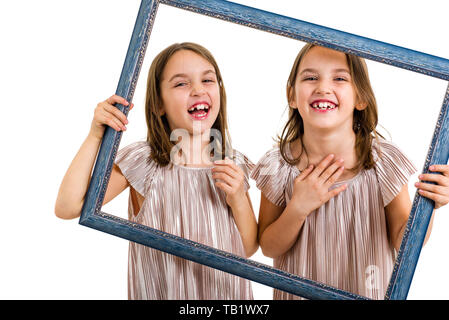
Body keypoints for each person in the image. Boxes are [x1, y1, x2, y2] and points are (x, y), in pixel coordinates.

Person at [55, 42, 258, 300]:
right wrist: (96, 135)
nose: (198, 90)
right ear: (158, 105)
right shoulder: (145, 162)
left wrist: (238, 197)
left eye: (207, 80)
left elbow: (248, 248)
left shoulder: (232, 164)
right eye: (181, 84)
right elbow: (68, 207)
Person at [251, 43, 449, 300]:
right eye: (310, 77)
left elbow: (405, 243)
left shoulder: (383, 162)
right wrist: (298, 207)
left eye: (340, 78)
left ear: (361, 97)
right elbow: (268, 247)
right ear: (291, 95)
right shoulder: (278, 165)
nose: (323, 87)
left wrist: (429, 204)